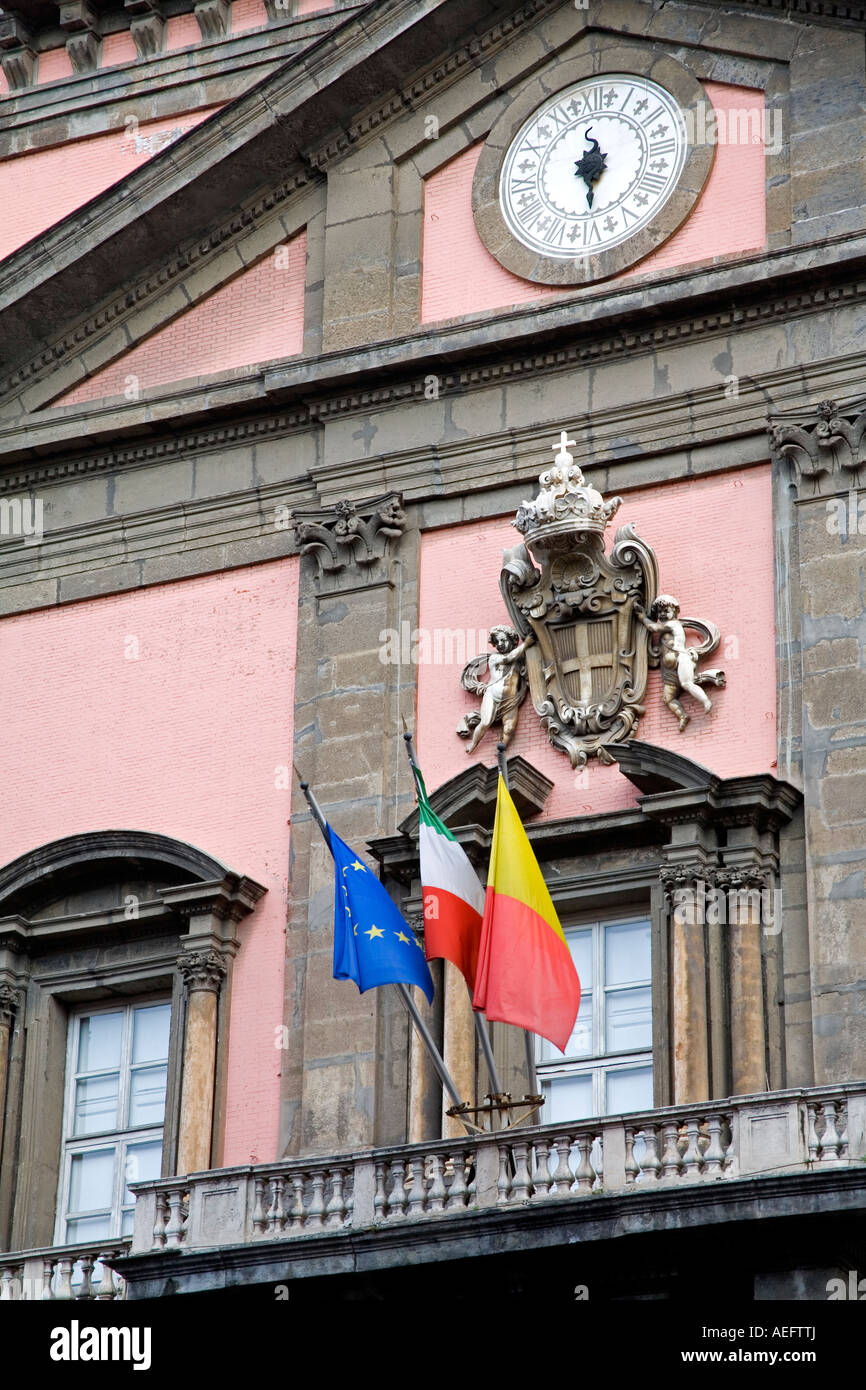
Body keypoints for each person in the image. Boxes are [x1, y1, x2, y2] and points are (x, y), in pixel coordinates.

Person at [636, 594, 715, 732]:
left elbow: (653, 628)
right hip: (669, 671)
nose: (662, 614)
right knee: (668, 698)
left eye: (666, 611)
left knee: (687, 683)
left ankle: (706, 701)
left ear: (675, 612)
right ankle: (683, 716)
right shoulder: (667, 625)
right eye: (660, 612)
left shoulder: (673, 624)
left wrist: (642, 617)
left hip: (681, 659)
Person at [464, 625, 534, 753]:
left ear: (511, 640)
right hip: (492, 695)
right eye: (497, 642)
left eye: (503, 640)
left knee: (510, 728)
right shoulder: (494, 658)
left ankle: (500, 751)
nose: (500, 644)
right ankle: (473, 744)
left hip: (511, 699)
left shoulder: (521, 659)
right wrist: (526, 643)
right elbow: (509, 658)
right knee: (485, 722)